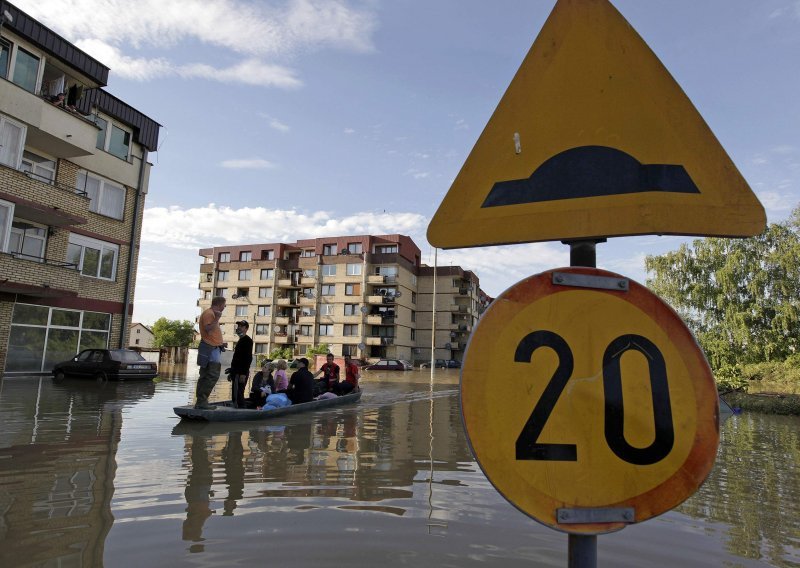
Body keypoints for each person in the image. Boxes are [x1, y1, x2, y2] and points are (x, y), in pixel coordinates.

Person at [195, 296, 226, 409]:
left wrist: (220, 343)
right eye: (224, 304)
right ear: (219, 304)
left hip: (212, 346)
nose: (225, 306)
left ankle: (201, 402)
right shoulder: (210, 314)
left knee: (204, 375)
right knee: (212, 375)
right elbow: (208, 329)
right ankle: (202, 402)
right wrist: (217, 318)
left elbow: (211, 333)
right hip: (210, 348)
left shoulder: (210, 313)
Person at [229, 320, 253, 408]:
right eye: (238, 326)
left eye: (241, 326)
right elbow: (237, 358)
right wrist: (231, 371)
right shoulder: (240, 340)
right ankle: (238, 407)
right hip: (236, 372)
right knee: (236, 393)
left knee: (238, 394)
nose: (239, 327)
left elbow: (248, 358)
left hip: (241, 373)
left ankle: (240, 410)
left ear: (246, 329)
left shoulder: (247, 340)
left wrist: (243, 373)